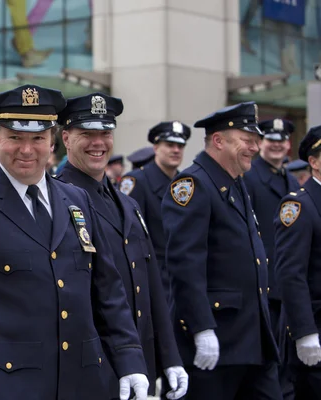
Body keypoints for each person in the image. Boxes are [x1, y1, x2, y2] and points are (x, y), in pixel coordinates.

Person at [0, 85, 149, 400]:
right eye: (15, 138)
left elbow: (107, 291)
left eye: (38, 138)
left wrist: (129, 357)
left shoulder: (77, 200)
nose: (27, 150)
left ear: (52, 141)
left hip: (79, 381)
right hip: (0, 386)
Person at [56, 93, 188, 399]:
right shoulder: (58, 199)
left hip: (139, 358)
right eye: (86, 134)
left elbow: (151, 282)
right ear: (65, 138)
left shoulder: (126, 203)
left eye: (105, 133)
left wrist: (169, 355)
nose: (98, 142)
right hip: (90, 361)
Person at [161, 102, 281, 399]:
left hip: (252, 340)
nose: (255, 147)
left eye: (256, 141)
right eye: (247, 140)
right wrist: (201, 328)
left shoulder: (234, 183)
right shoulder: (194, 184)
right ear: (218, 141)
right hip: (218, 341)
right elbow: (184, 264)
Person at [243, 118, 299, 398]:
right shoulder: (249, 178)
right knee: (267, 362)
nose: (277, 145)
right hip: (264, 284)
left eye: (282, 141)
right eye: (271, 140)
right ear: (261, 143)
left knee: (287, 360)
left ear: (289, 144)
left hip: (288, 283)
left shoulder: (290, 179)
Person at [120, 121, 190, 303]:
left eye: (180, 146)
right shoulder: (138, 181)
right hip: (153, 278)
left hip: (182, 277)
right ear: (156, 147)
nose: (176, 150)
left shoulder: (185, 184)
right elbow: (131, 236)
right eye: (170, 145)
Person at [274, 126, 321, 397]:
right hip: (315, 328)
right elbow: (291, 273)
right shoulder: (299, 206)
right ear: (313, 163)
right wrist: (304, 332)